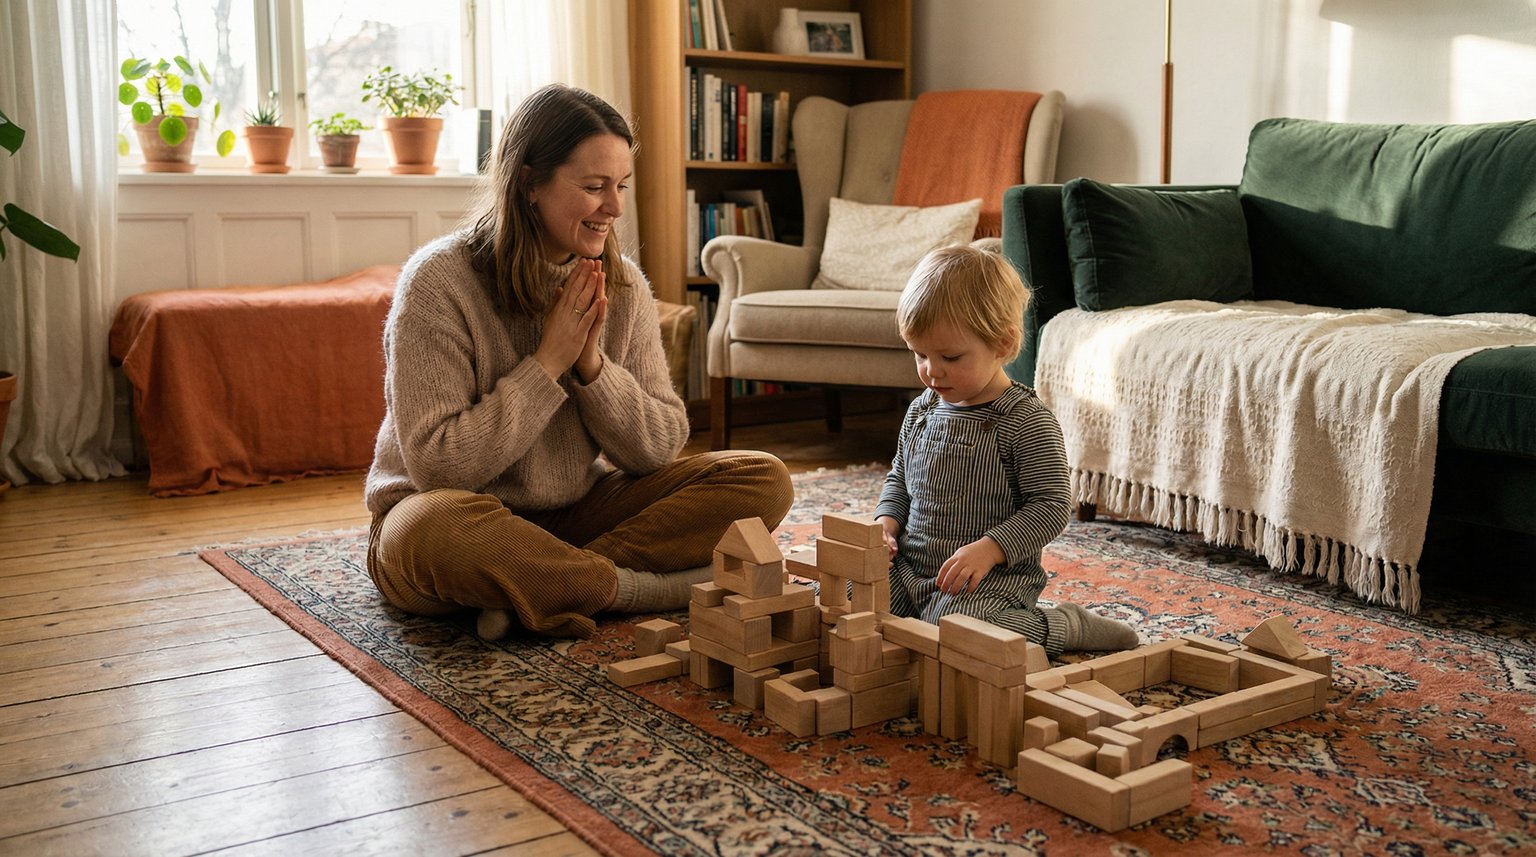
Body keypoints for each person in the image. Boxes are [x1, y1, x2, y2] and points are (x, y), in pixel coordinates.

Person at [364, 84, 793, 641]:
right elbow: (440, 469)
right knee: (429, 528)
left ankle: (534, 586)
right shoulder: (438, 282)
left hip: (573, 516)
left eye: (621, 185)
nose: (615, 207)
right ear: (529, 183)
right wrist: (548, 363)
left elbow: (657, 449)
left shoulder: (622, 285)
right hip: (452, 515)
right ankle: (635, 589)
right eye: (594, 187)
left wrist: (592, 368)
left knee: (763, 479)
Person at [874, 245, 1138, 656]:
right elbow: (899, 480)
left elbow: (1051, 506)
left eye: (950, 356)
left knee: (958, 631)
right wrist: (885, 525)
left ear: (1003, 343)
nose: (931, 371)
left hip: (988, 581)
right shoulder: (922, 410)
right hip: (910, 569)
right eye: (920, 354)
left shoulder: (1025, 420)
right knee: (846, 593)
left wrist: (990, 549)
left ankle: (1062, 625)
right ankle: (918, 616)